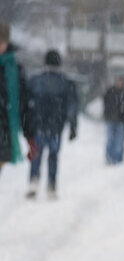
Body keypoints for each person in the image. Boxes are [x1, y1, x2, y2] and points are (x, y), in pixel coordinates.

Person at [26, 49, 78, 199]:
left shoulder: (35, 80)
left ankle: (33, 181)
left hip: (38, 125)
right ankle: (51, 186)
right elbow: (72, 105)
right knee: (53, 156)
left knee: (36, 154)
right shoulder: (65, 82)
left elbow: (26, 103)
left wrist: (27, 122)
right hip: (56, 126)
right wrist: (73, 125)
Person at [0, 22, 32, 176]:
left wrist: (29, 136)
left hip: (4, 134)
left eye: (1, 41)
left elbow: (24, 104)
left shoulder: (15, 69)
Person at [103, 76, 124, 165]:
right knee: (110, 139)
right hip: (111, 119)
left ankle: (118, 159)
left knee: (119, 141)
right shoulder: (110, 91)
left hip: (122, 121)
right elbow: (106, 104)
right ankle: (109, 157)